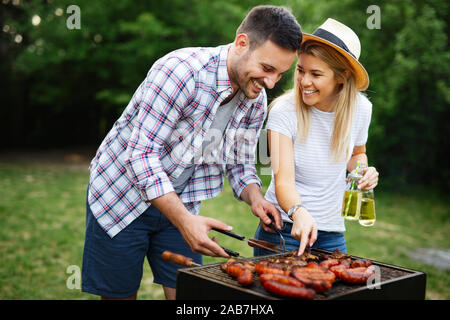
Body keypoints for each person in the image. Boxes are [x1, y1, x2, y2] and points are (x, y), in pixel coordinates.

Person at [82, 5, 302, 300]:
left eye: (280, 74)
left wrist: (256, 198)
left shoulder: (255, 98)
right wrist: (185, 222)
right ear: (241, 44)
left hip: (182, 203)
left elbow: (239, 164)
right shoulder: (180, 72)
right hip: (120, 199)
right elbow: (141, 156)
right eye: (267, 68)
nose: (272, 83)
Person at [253, 18, 379, 257]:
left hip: (332, 233)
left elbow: (357, 154)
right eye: (301, 71)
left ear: (341, 77)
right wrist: (299, 213)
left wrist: (364, 171)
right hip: (285, 228)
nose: (305, 82)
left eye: (316, 74)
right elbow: (283, 182)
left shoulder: (361, 109)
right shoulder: (284, 111)